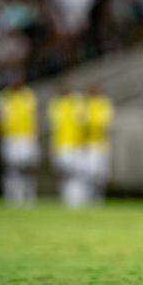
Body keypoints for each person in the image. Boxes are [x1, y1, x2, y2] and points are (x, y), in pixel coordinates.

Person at [0, 74, 39, 205]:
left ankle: (28, 197)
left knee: (28, 168)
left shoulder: (28, 95)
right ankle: (12, 197)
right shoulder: (5, 97)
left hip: (26, 136)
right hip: (10, 137)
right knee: (12, 169)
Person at [48, 79, 88, 207]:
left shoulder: (78, 101)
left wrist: (84, 143)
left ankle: (79, 202)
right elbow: (53, 128)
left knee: (78, 175)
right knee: (65, 176)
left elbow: (85, 125)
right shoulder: (55, 104)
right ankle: (67, 201)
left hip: (76, 145)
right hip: (61, 145)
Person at [84, 82, 114, 202]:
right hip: (88, 145)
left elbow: (105, 125)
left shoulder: (104, 103)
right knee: (88, 175)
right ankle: (88, 199)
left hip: (100, 145)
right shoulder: (84, 103)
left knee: (100, 176)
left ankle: (98, 199)